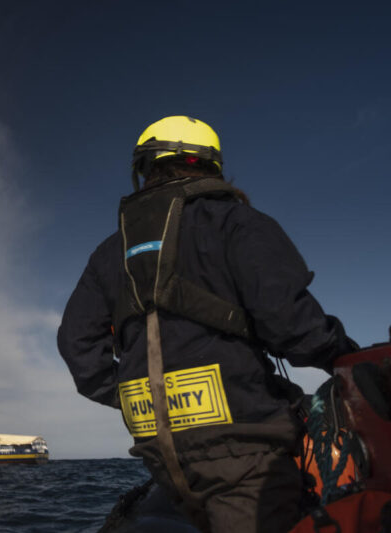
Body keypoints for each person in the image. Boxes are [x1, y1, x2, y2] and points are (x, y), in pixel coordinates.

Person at [57, 116, 356, 532]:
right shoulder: (237, 224)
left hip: (160, 452)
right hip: (245, 454)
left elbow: (76, 347)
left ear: (145, 169)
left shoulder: (109, 252)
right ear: (211, 166)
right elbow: (294, 326)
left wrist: (128, 396)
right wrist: (349, 360)